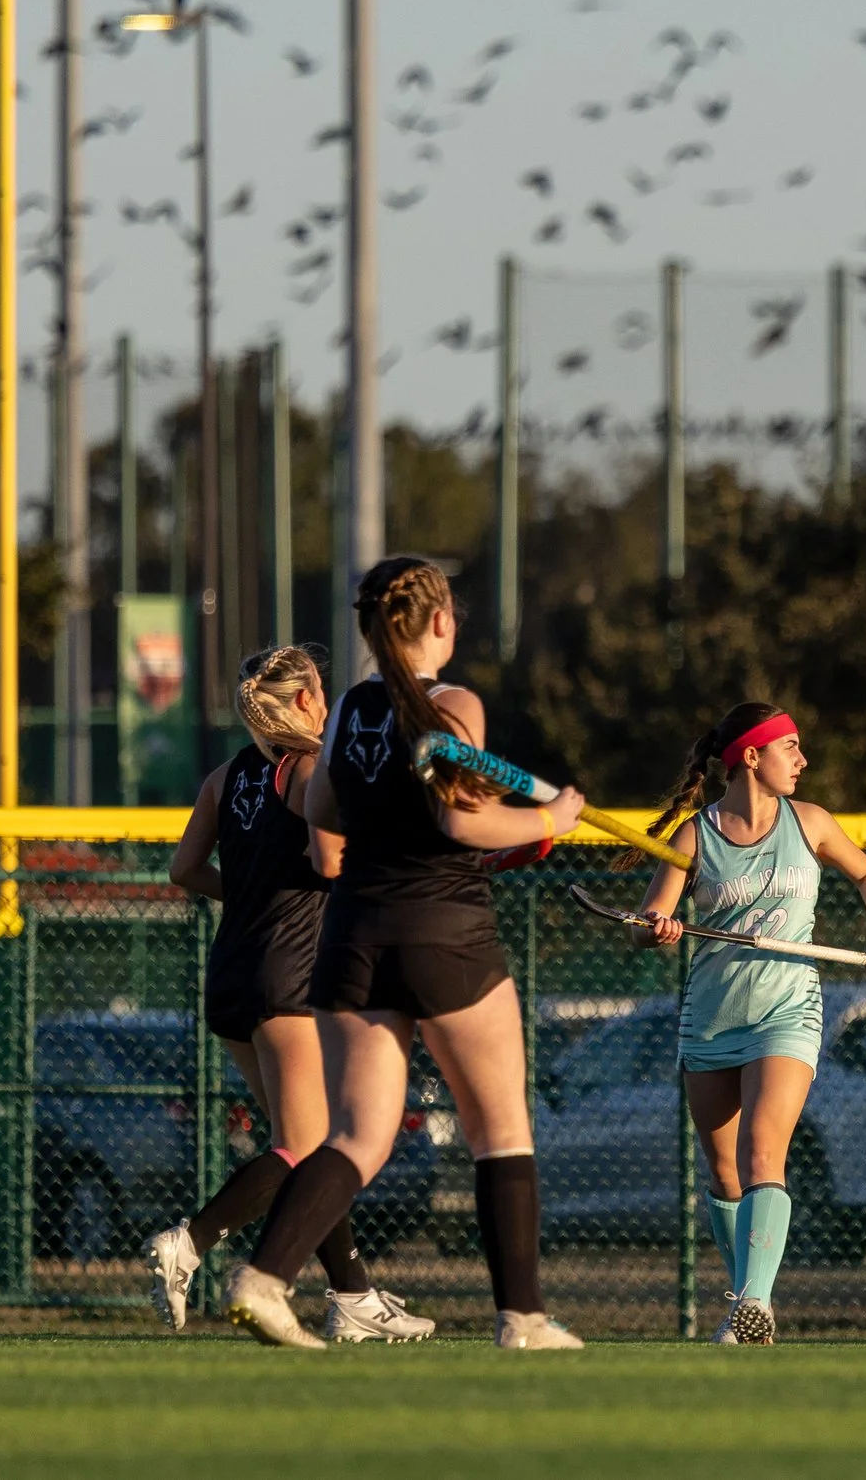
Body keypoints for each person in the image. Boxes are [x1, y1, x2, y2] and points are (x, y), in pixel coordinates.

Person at [224, 556, 590, 1350]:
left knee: (356, 1136)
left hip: (353, 932)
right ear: (437, 622)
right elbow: (464, 825)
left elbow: (324, 808)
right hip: (445, 930)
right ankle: (522, 1319)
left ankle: (263, 1280)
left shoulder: (351, 709)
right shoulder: (454, 706)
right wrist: (550, 820)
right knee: (501, 1129)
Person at [150, 645, 434, 1347]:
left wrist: (246, 893)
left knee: (306, 1147)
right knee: (311, 1143)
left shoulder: (225, 776)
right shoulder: (312, 771)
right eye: (323, 691)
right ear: (307, 699)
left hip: (232, 978)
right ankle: (190, 1240)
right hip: (288, 978)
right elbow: (329, 859)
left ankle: (353, 1296)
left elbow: (184, 869)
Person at [633, 702, 866, 1346]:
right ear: (751, 758)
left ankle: (754, 1305)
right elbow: (651, 921)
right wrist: (660, 929)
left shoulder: (809, 822)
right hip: (711, 1017)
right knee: (725, 1174)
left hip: (787, 1012)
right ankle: (745, 1305)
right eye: (791, 747)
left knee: (764, 1152)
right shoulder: (694, 837)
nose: (803, 760)